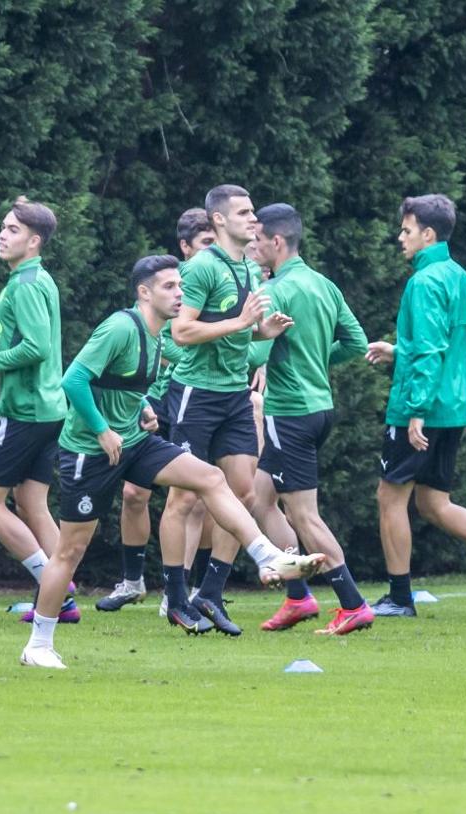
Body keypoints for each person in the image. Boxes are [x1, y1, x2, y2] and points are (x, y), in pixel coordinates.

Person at [19, 256, 324, 668]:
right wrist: (101, 429)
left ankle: (267, 554)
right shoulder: (120, 327)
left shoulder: (157, 335)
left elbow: (122, 383)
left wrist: (143, 406)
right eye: (168, 287)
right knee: (70, 551)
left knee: (210, 477)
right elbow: (73, 379)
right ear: (144, 292)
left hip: (134, 442)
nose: (179, 293)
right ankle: (38, 643)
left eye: (180, 286)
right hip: (90, 452)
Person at [159, 184, 294, 636]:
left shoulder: (250, 271)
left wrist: (263, 332)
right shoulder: (199, 268)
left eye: (253, 211)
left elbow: (241, 334)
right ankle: (176, 598)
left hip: (236, 395)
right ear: (218, 220)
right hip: (197, 394)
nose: (253, 218)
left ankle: (210, 593)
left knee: (244, 494)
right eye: (244, 212)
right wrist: (239, 323)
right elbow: (180, 332)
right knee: (185, 497)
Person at [366, 194, 466, 617]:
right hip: (453, 407)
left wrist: (415, 410)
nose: (399, 237)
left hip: (422, 407)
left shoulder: (423, 282)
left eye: (406, 230)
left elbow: (430, 351)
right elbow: (440, 345)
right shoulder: (462, 278)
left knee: (389, 497)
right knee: (433, 503)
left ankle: (399, 598)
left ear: (428, 234)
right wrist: (398, 351)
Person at [248, 204, 375, 635]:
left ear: (276, 242)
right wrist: (317, 361)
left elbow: (256, 353)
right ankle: (298, 598)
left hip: (290, 413)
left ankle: (353, 603)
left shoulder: (275, 291)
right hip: (319, 408)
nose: (253, 247)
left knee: (304, 516)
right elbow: (355, 342)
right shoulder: (322, 283)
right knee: (260, 499)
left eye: (257, 240)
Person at [0, 197, 78, 622]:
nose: (1, 234)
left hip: (24, 412)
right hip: (50, 411)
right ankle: (61, 596)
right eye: (3, 227)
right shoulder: (38, 279)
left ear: (33, 241)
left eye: (11, 229)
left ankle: (54, 587)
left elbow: (36, 347)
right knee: (31, 502)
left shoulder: (25, 285)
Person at [98, 207, 215, 613]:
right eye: (205, 244)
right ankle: (133, 582)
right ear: (185, 248)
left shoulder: (209, 290)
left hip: (188, 398)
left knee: (191, 497)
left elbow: (238, 347)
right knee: (133, 494)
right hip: (151, 401)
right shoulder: (164, 294)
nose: (213, 253)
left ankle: (180, 592)